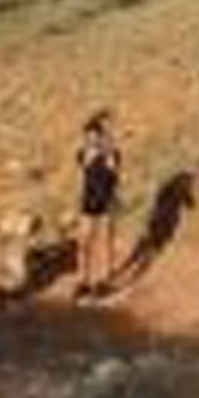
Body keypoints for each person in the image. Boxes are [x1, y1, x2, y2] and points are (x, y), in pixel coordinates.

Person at [74, 111, 122, 301]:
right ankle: (83, 280)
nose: (91, 141)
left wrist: (108, 148)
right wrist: (95, 151)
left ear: (100, 137)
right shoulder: (83, 153)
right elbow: (84, 164)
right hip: (89, 200)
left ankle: (105, 279)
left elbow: (113, 169)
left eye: (94, 138)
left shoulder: (113, 153)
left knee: (106, 241)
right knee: (84, 242)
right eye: (88, 138)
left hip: (108, 200)